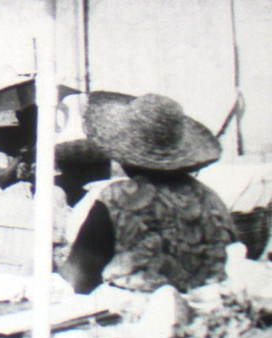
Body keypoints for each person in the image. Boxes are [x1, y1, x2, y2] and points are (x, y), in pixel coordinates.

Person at [58, 91, 237, 294]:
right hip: (207, 309)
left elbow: (78, 279)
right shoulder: (211, 199)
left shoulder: (118, 198)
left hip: (139, 309)